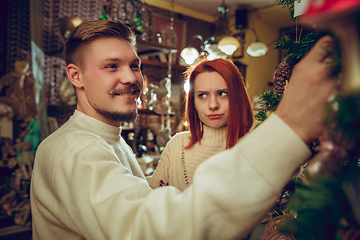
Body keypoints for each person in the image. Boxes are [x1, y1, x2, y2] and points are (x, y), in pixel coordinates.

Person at [30, 20, 338, 240]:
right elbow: (161, 230)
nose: (131, 78)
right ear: (76, 76)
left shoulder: (107, 139)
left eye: (134, 65)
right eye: (111, 66)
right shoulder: (76, 151)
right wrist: (290, 127)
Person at [147, 58, 254, 191]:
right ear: (194, 103)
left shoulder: (253, 147)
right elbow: (152, 198)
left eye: (223, 93)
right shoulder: (177, 146)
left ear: (237, 97)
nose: (213, 105)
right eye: (202, 95)